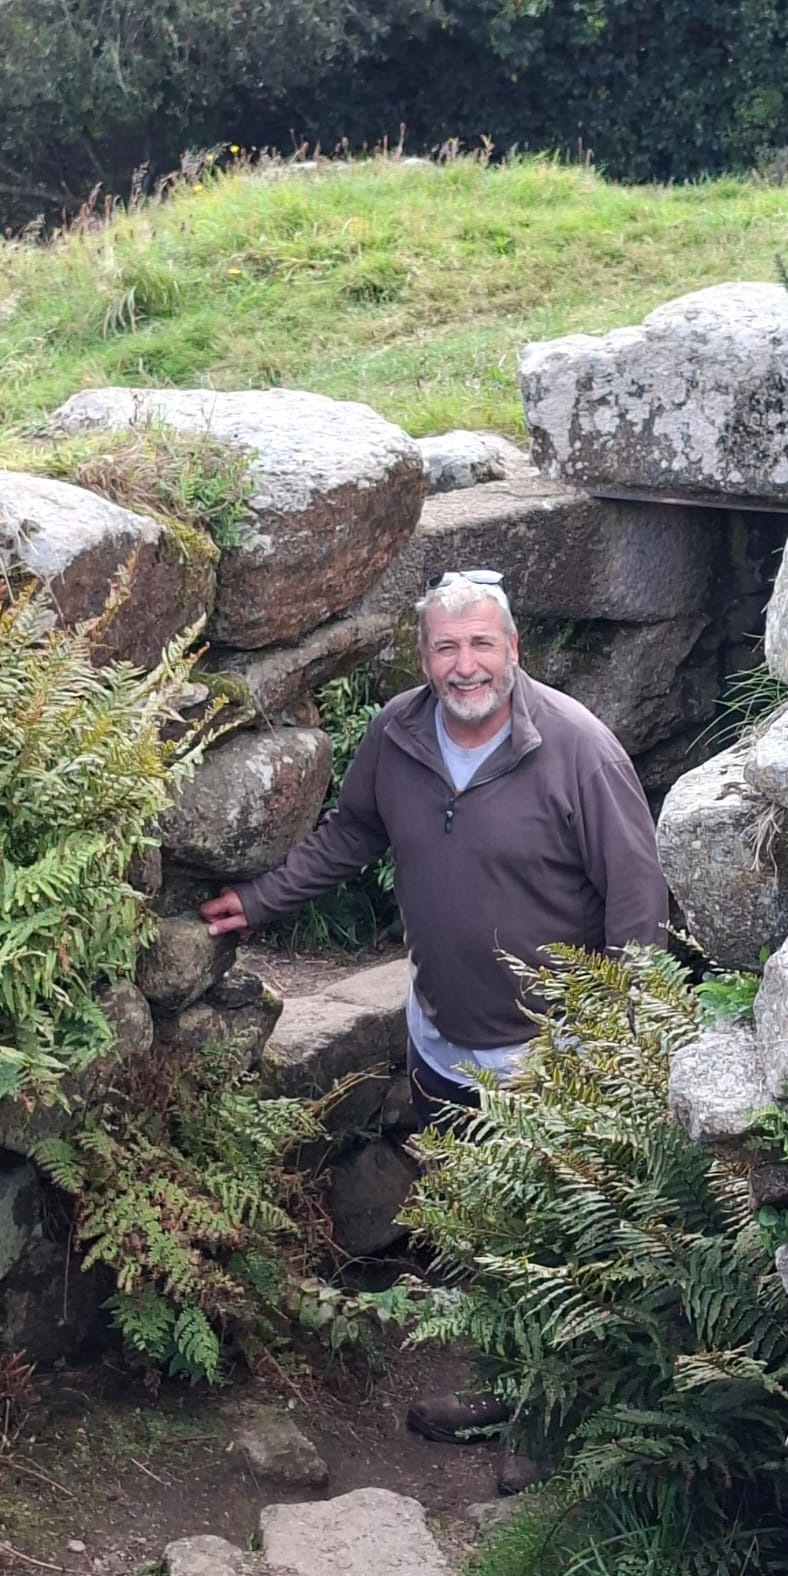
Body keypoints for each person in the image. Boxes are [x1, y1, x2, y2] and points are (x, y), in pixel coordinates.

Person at [199, 568, 669, 1455]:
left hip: (550, 1057)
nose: (465, 665)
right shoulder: (398, 733)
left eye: (481, 643)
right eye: (446, 647)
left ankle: (547, 1424)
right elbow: (352, 832)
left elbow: (637, 903)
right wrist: (259, 902)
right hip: (442, 1043)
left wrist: (624, 1041)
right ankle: (501, 1382)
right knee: (477, 1226)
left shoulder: (580, 749)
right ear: (422, 657)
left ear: (513, 649)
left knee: (554, 1245)